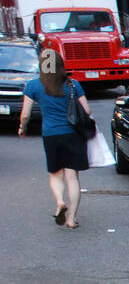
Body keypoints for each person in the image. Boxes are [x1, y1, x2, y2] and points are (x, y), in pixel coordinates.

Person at [18, 50, 92, 229]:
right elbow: (87, 111)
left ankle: (59, 201)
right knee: (72, 177)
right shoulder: (73, 85)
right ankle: (71, 219)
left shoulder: (33, 86)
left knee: (55, 174)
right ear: (60, 64)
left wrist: (22, 128)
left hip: (51, 135)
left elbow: (26, 114)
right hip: (73, 134)